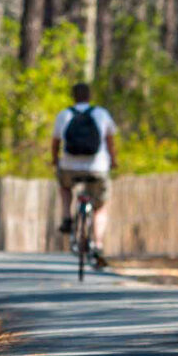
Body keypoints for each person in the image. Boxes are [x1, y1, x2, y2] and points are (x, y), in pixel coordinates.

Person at [52, 83, 118, 268]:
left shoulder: (64, 114)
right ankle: (98, 244)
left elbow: (55, 143)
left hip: (69, 166)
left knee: (65, 187)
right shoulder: (101, 114)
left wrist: (55, 160)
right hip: (97, 168)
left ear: (73, 96)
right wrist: (113, 160)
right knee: (100, 207)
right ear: (90, 96)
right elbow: (110, 142)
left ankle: (66, 216)